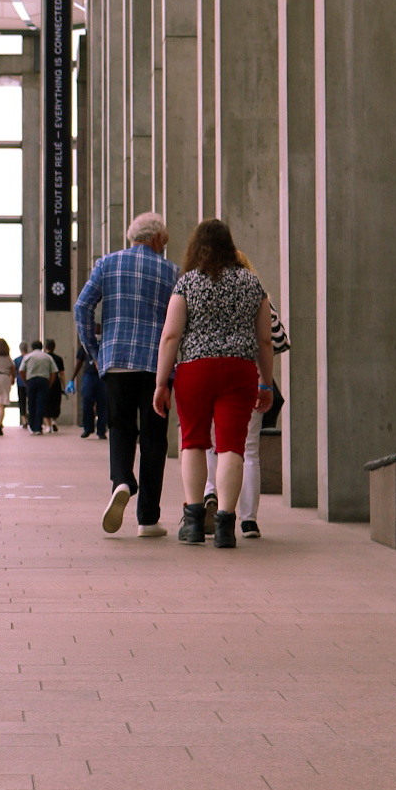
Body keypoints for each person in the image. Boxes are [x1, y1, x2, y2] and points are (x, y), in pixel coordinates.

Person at [153, 218, 273, 550]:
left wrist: (162, 382)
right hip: (240, 370)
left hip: (195, 370)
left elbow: (171, 335)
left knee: (193, 442)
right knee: (232, 447)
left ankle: (193, 523)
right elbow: (265, 340)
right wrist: (266, 383)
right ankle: (224, 526)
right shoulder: (252, 284)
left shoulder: (187, 283)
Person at [75, 212, 178, 538]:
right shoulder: (170, 271)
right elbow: (177, 325)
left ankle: (121, 480)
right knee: (154, 440)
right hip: (155, 366)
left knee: (119, 428)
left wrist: (95, 351)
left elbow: (82, 308)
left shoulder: (107, 263)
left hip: (116, 361)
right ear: (157, 239)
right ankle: (147, 519)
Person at [202, 260, 290, 538]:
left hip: (211, 374)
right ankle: (249, 520)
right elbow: (277, 339)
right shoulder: (256, 295)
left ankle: (210, 494)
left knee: (212, 442)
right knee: (248, 450)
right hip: (249, 377)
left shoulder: (203, 294)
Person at [20, 340, 58, 435]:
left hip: (31, 381)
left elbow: (21, 370)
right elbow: (54, 372)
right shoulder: (47, 357)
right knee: (40, 404)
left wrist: (25, 381)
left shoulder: (27, 357)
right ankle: (38, 427)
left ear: (32, 348)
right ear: (41, 348)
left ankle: (32, 425)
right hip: (43, 381)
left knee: (31, 403)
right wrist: (50, 383)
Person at [73, 343, 108, 440]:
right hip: (89, 374)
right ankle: (88, 428)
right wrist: (72, 378)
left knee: (103, 402)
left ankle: (101, 430)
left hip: (102, 374)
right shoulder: (86, 344)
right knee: (87, 398)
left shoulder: (105, 343)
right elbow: (79, 361)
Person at [44, 338, 65, 433]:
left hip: (46, 382)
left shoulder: (44, 358)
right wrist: (64, 385)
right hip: (56, 383)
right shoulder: (59, 359)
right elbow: (62, 374)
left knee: (46, 403)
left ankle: (48, 426)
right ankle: (54, 421)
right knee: (56, 402)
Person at [14, 340, 30, 427]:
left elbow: (14, 371)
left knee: (22, 401)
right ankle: (31, 417)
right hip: (29, 382)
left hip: (20, 383)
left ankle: (24, 420)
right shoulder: (30, 358)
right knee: (31, 400)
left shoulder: (17, 360)